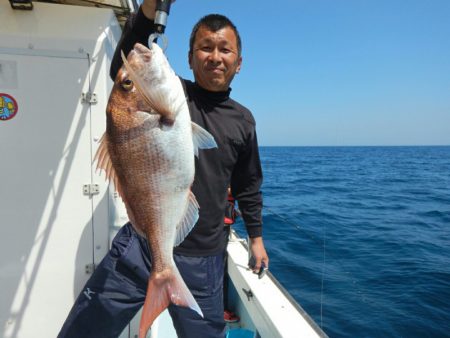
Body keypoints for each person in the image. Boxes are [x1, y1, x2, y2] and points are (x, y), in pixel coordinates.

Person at [58, 0, 268, 337]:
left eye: (224, 49)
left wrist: (256, 239)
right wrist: (150, 9)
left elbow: (248, 183)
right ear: (189, 58)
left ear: (238, 63)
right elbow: (125, 64)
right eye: (205, 47)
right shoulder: (171, 94)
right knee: (85, 328)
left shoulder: (243, 120)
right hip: (141, 243)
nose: (215, 56)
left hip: (204, 255)